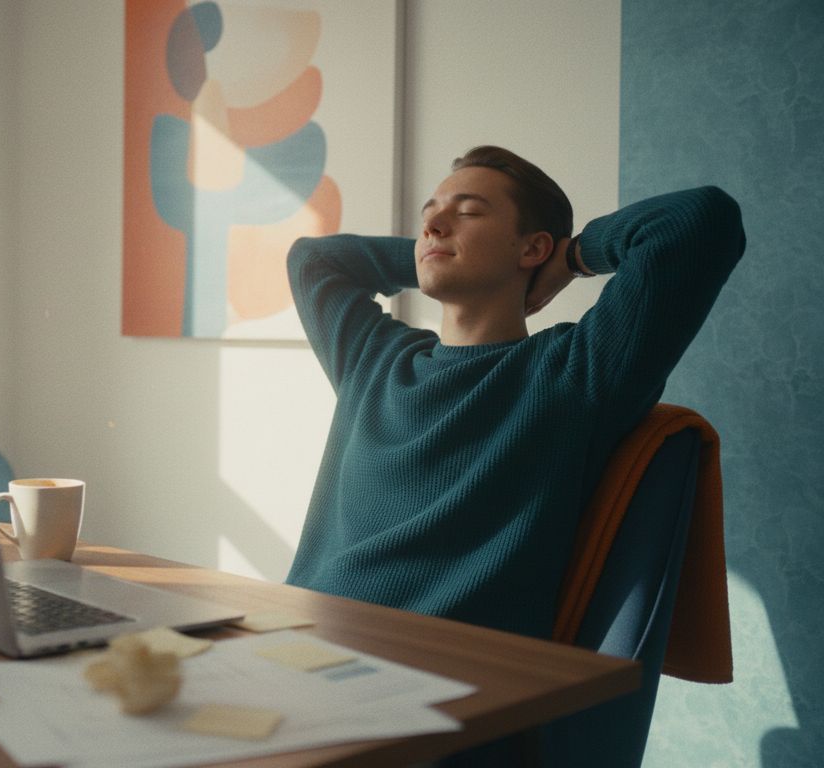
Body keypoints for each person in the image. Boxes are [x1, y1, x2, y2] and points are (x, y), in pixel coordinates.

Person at [284, 145, 745, 639]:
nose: (434, 226)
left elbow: (700, 220)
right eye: (429, 216)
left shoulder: (573, 373)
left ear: (532, 248)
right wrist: (438, 254)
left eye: (468, 212)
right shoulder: (374, 360)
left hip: (433, 671)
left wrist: (571, 256)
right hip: (299, 636)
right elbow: (313, 259)